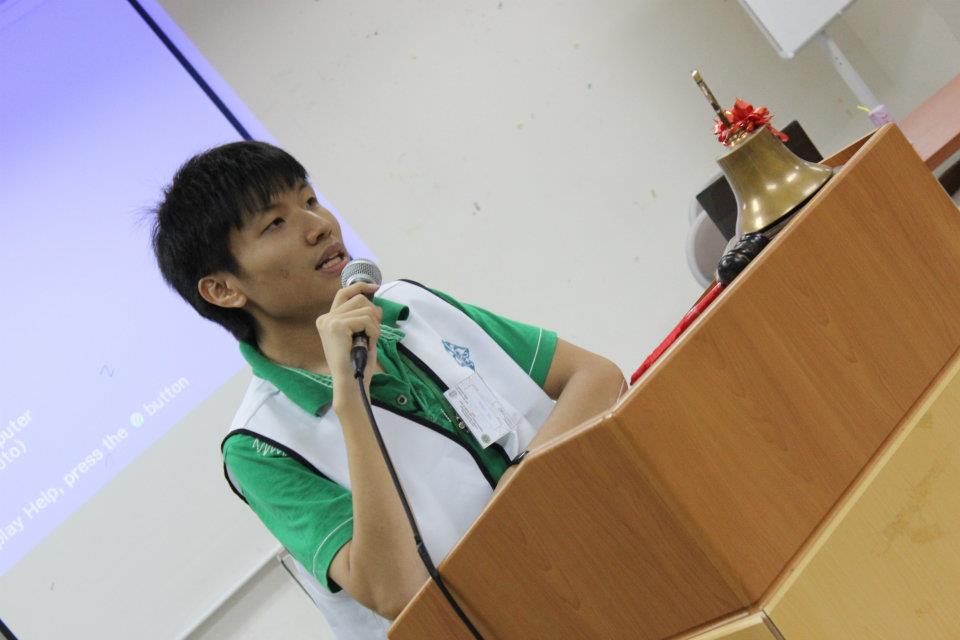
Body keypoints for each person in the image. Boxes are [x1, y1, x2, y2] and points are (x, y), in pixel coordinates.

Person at [150, 140, 625, 638]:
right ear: (224, 289)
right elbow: (395, 589)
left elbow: (596, 377)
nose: (319, 225)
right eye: (276, 223)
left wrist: (523, 485)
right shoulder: (259, 445)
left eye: (310, 200)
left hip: (595, 563)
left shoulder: (410, 306)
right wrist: (350, 397)